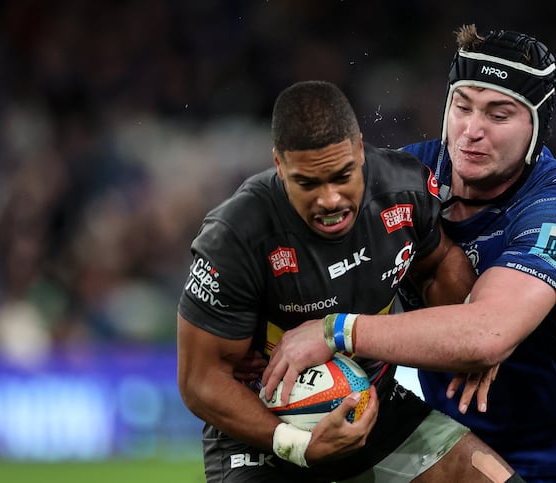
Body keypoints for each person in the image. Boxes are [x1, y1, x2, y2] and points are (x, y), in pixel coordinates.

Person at [262, 26, 556, 482]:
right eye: (462, 107)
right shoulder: (402, 178)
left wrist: (337, 330)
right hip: (453, 452)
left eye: (499, 116)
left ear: (536, 126)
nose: (471, 131)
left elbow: (487, 335)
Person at [176, 79, 526, 483]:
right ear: (279, 165)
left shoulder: (405, 190)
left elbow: (439, 262)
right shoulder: (236, 235)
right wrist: (296, 444)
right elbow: (200, 379)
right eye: (307, 183)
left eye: (343, 175)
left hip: (375, 406)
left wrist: (468, 332)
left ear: (361, 149)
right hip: (265, 434)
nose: (330, 199)